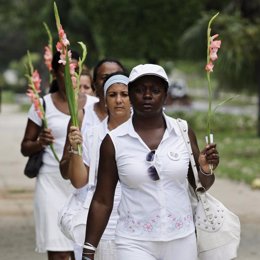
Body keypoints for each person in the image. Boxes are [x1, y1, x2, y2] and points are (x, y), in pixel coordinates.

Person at [82, 64, 220, 260]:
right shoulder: (113, 141)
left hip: (181, 239)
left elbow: (201, 186)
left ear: (165, 95)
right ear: (130, 94)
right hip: (133, 242)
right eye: (139, 90)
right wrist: (88, 250)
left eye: (155, 90)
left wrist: (206, 169)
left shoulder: (182, 132)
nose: (147, 95)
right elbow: (102, 200)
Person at [20, 50, 95, 260]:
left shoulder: (95, 104)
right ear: (54, 74)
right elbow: (25, 146)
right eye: (65, 72)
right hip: (51, 182)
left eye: (74, 72)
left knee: (83, 248)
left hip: (84, 184)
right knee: (60, 252)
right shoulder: (43, 105)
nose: (70, 77)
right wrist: (40, 143)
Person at [59, 72, 131, 260]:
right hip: (102, 223)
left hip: (137, 222)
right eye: (112, 95)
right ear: (104, 100)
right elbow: (79, 181)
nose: (119, 100)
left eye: (124, 94)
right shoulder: (92, 134)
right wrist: (75, 150)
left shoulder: (143, 134)